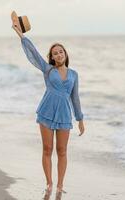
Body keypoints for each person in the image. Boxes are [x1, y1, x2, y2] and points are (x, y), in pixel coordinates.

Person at [11, 22, 85, 199]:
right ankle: (49, 183)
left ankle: (60, 185)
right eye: (55, 53)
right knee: (47, 149)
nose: (58, 54)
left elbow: (75, 98)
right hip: (46, 111)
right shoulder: (47, 69)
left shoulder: (74, 74)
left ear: (65, 54)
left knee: (62, 151)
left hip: (65, 115)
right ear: (52, 57)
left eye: (61, 51)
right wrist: (21, 35)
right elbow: (33, 53)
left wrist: (80, 119)